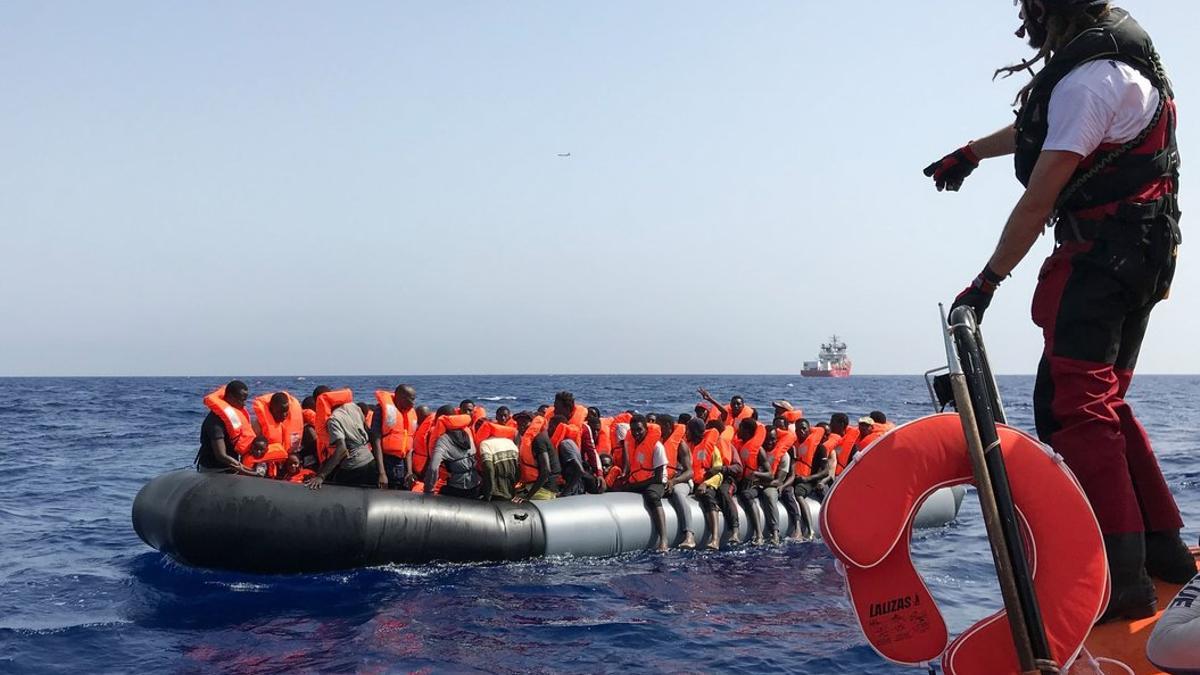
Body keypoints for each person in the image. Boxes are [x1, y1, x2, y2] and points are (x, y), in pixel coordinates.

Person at [925, 0, 1188, 620]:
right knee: (1103, 403)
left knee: (1073, 411)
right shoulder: (1115, 65)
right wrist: (970, 152)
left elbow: (1040, 198)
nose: (1027, 21)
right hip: (1143, 254)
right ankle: (1165, 553)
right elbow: (1049, 130)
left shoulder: (1087, 82)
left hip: (1102, 263)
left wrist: (985, 283)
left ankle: (1122, 581)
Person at [307, 388, 378, 490]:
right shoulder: (353, 407)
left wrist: (320, 476)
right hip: (370, 461)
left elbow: (342, 449)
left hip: (353, 466)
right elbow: (369, 433)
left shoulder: (333, 420)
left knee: (331, 488)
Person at [622, 414, 671, 552]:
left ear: (646, 429)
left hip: (657, 481)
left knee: (651, 495)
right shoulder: (631, 444)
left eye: (639, 430)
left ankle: (664, 539)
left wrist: (633, 487)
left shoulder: (657, 446)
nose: (636, 433)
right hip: (638, 480)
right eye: (633, 430)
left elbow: (658, 477)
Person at [196, 380, 256, 474]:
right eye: (241, 400)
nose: (244, 404)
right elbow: (221, 455)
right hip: (214, 469)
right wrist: (244, 469)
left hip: (231, 468)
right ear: (230, 397)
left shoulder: (236, 416)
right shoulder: (215, 422)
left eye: (245, 400)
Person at [684, 418, 725, 550]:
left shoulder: (712, 449)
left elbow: (719, 473)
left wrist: (705, 484)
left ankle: (715, 539)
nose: (686, 433)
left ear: (695, 432)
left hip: (707, 484)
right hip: (691, 483)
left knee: (708, 498)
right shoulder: (686, 446)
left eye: (688, 430)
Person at [370, 384, 418, 490]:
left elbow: (408, 444)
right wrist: (382, 473)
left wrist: (409, 472)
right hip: (386, 462)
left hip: (401, 465)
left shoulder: (409, 414)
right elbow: (375, 441)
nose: (414, 403)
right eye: (412, 399)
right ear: (401, 397)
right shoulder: (381, 410)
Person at [660, 415, 697, 550]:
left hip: (682, 481)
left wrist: (674, 481)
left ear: (669, 426)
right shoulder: (657, 443)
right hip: (663, 481)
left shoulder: (681, 445)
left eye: (661, 426)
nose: (659, 429)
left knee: (677, 493)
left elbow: (690, 472)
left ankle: (689, 535)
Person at [424, 417, 481, 499]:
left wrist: (428, 490)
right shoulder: (468, 433)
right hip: (475, 484)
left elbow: (433, 468)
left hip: (457, 488)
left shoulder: (443, 440)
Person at [732, 418, 768, 546]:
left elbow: (770, 474)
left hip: (755, 485)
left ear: (746, 431)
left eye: (740, 427)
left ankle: (759, 534)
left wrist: (755, 474)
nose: (738, 430)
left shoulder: (759, 450)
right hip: (740, 482)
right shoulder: (738, 445)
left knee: (746, 495)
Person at [514, 412, 560, 501]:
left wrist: (528, 497)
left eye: (525, 423)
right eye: (519, 424)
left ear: (532, 423)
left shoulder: (539, 440)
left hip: (544, 489)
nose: (521, 426)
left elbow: (546, 470)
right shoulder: (530, 440)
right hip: (533, 486)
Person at [478, 430, 519, 501]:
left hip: (496, 492)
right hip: (510, 490)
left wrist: (488, 494)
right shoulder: (510, 442)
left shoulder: (485, 444)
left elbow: (489, 468)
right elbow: (518, 468)